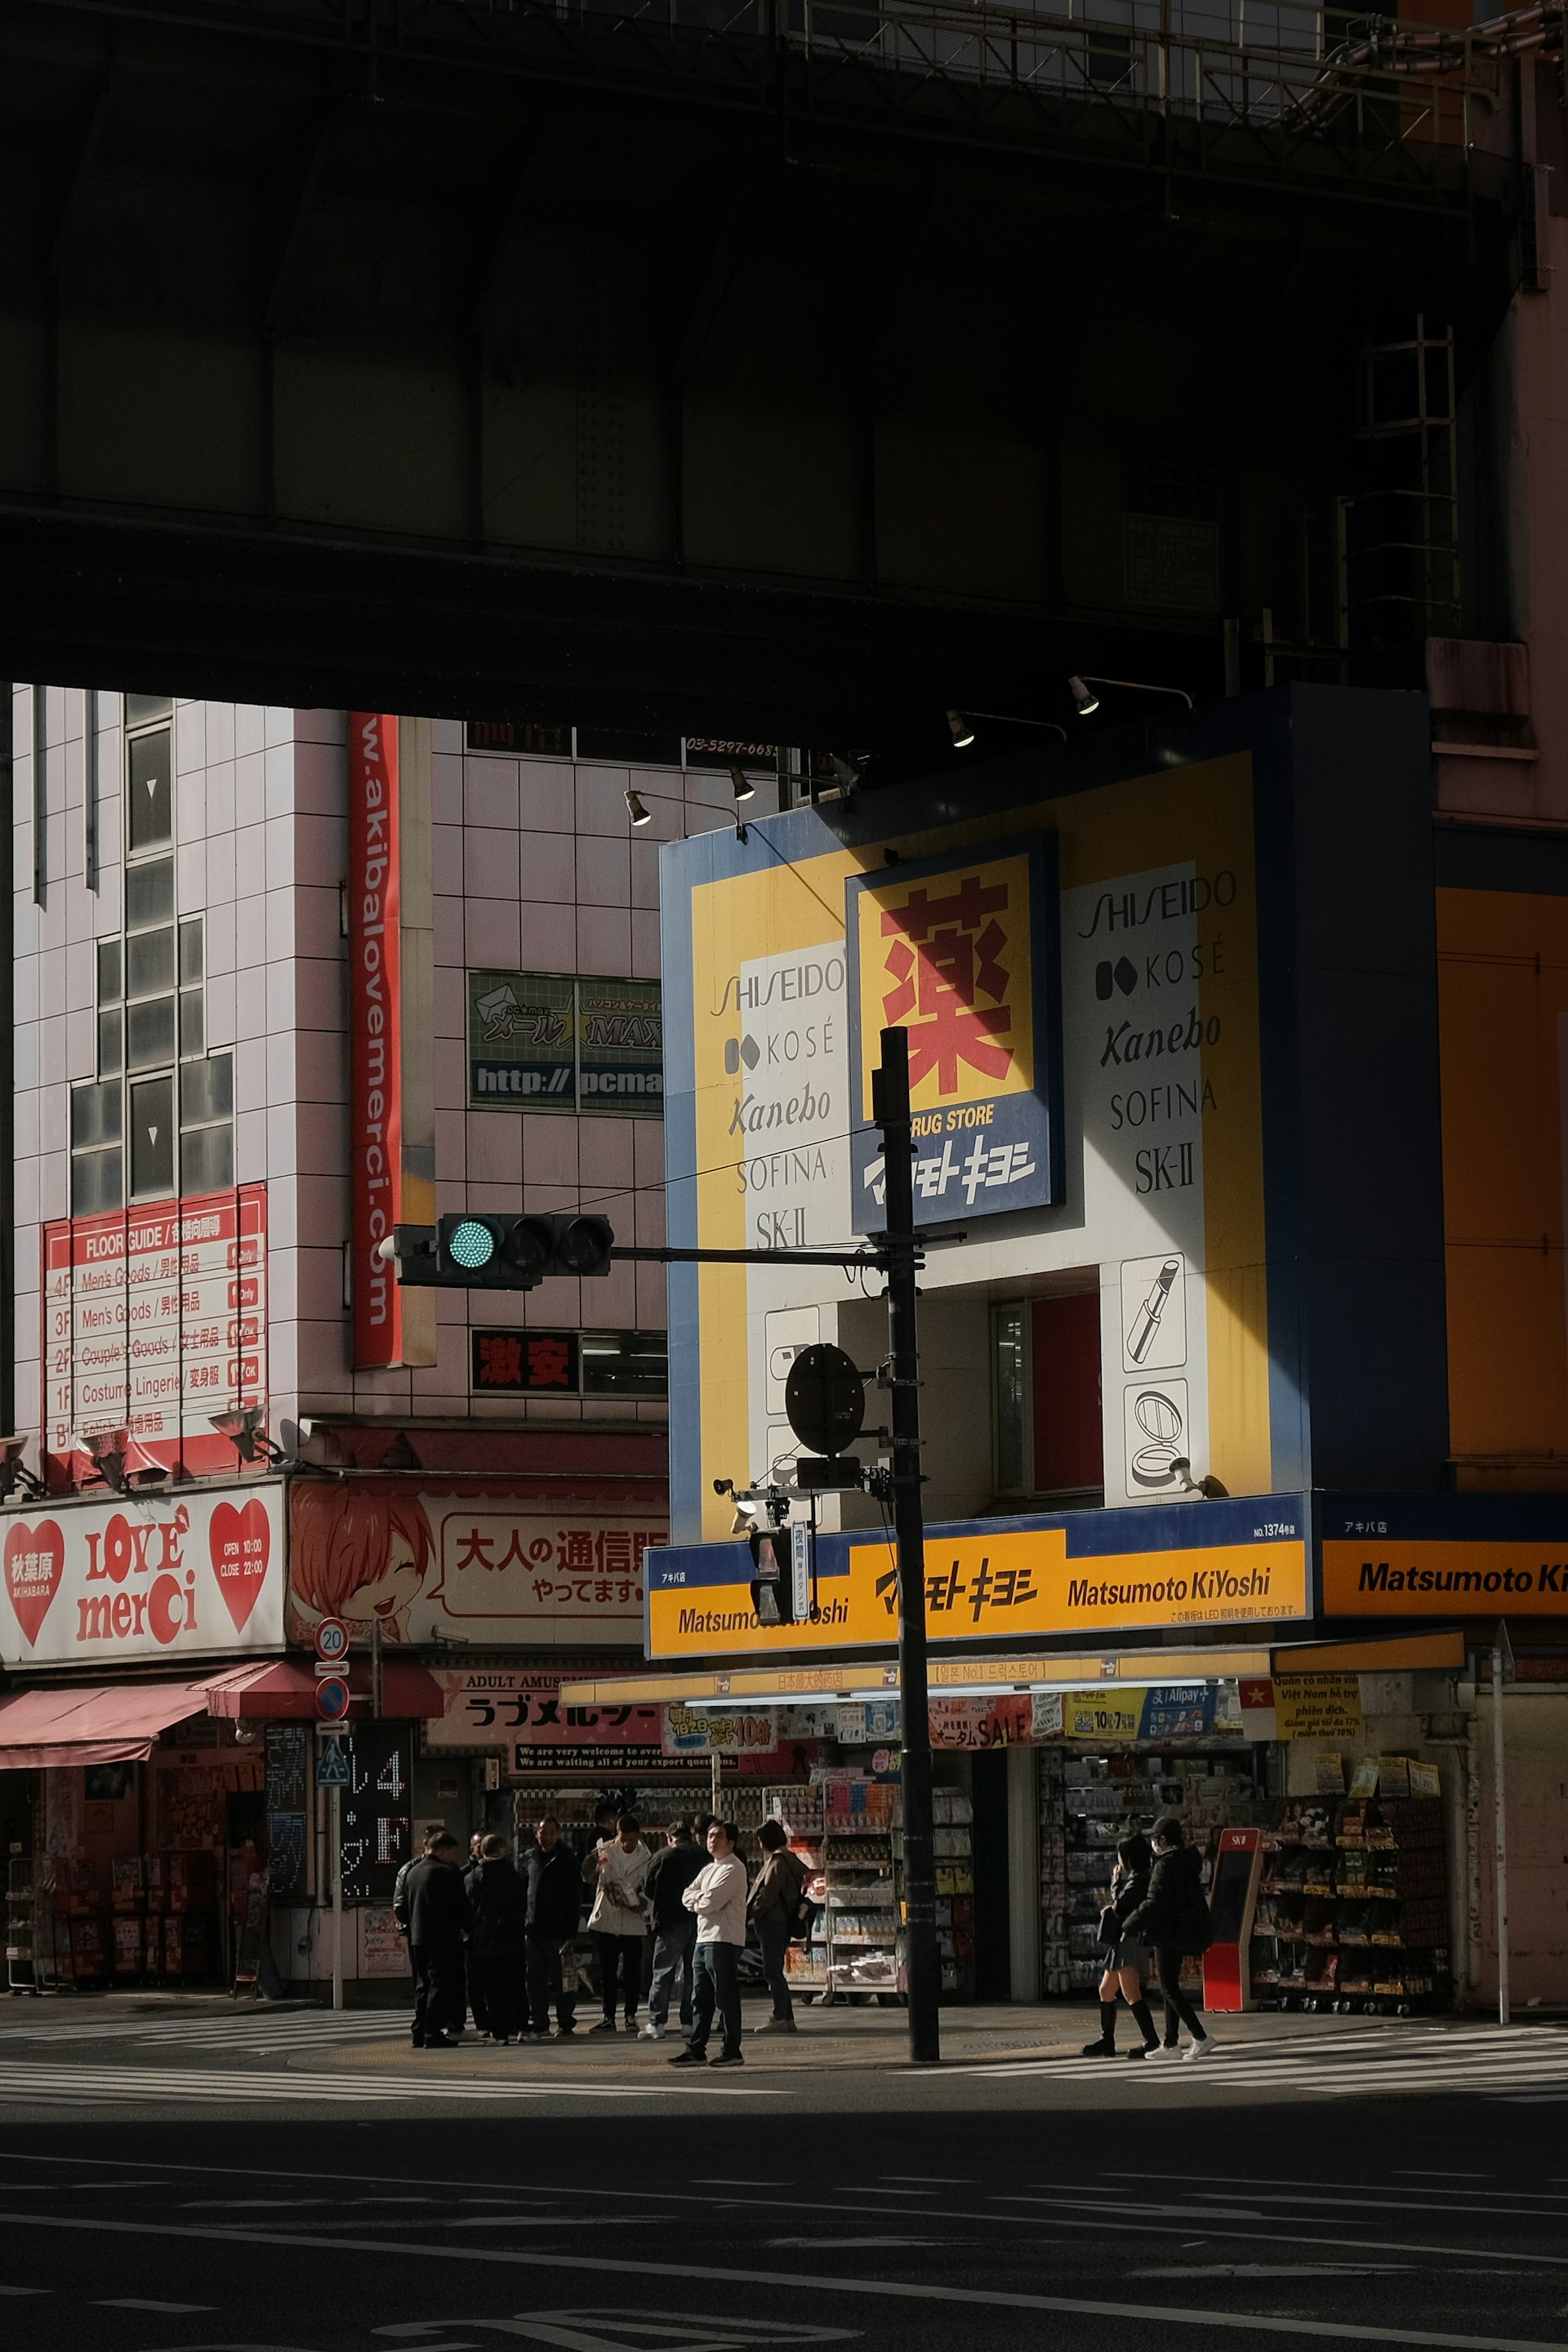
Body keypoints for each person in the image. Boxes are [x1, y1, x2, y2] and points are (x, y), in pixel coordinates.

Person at [1120, 1815, 1219, 2062]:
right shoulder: (1185, 1861)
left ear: (1162, 1840)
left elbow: (1154, 1902)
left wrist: (1129, 1924)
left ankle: (1200, 2036)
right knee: (1169, 1987)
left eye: (1155, 1838)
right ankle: (1171, 2043)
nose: (1153, 1843)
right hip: (1180, 1929)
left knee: (1168, 1987)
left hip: (1168, 1931)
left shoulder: (1165, 1865)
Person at [670, 1819, 747, 2069]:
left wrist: (698, 1901)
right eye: (710, 1835)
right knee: (700, 1997)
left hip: (723, 1939)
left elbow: (709, 1903)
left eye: (718, 1836)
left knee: (725, 1997)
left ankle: (732, 2049)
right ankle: (696, 2049)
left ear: (731, 1842)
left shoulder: (733, 1868)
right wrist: (699, 1900)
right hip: (704, 1938)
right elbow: (687, 1895)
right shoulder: (708, 1869)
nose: (711, 1840)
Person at [1081, 1831, 1160, 2059]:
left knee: (1131, 1992)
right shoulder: (1139, 1877)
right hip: (1122, 1942)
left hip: (1129, 1941)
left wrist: (1115, 1881)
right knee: (1106, 1990)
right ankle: (1107, 2040)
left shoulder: (1139, 1880)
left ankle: (1151, 2041)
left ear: (1127, 1858)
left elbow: (1120, 1904)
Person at [395, 1828, 469, 2050]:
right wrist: (467, 1928)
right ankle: (432, 2032)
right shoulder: (446, 1873)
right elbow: (460, 1907)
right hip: (442, 1938)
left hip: (418, 1937)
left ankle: (418, 2031)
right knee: (440, 1983)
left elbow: (403, 1907)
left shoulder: (412, 1873)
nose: (452, 1858)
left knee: (422, 1984)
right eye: (451, 1853)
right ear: (444, 1850)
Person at [639, 1815, 705, 2041]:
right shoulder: (703, 1856)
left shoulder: (660, 1857)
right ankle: (689, 2021)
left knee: (663, 1972)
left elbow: (647, 1889)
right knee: (693, 1972)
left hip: (668, 1921)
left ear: (670, 1838)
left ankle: (657, 2022)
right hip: (698, 1919)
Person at [586, 1812, 652, 2033]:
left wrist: (637, 1902)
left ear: (638, 1837)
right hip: (608, 1916)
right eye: (622, 1838)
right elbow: (588, 1875)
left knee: (633, 1971)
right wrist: (593, 1864)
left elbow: (649, 1892)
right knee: (608, 1971)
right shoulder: (606, 1850)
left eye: (630, 1840)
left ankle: (631, 2015)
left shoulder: (646, 1857)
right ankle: (608, 2016)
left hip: (632, 1920)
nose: (625, 1844)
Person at [467, 1833, 530, 2045]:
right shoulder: (512, 1875)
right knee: (516, 1984)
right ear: (500, 1851)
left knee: (493, 1989)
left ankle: (500, 2033)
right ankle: (522, 2027)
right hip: (511, 1938)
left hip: (485, 1941)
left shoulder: (472, 1878)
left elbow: (467, 1911)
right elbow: (522, 1904)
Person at [747, 1818, 808, 2036]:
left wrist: (751, 1913)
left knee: (772, 1970)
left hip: (773, 1921)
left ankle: (781, 2015)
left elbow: (768, 1894)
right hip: (782, 1921)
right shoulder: (788, 1859)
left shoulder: (777, 1862)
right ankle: (785, 2016)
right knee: (774, 1969)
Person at [523, 1815, 581, 2039]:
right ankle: (539, 2021)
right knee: (534, 1978)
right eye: (541, 1832)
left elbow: (573, 1899)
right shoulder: (529, 1859)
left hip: (559, 1931)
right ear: (535, 1834)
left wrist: (571, 1933)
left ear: (558, 1834)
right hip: (533, 1929)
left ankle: (565, 2021)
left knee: (563, 1979)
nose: (545, 1837)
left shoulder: (567, 1860)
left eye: (549, 1832)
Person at [462, 1832, 490, 2038]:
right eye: (477, 1845)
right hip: (472, 1936)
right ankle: (482, 2023)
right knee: (475, 1984)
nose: (481, 1849)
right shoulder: (464, 1875)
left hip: (493, 1936)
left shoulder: (499, 1872)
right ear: (472, 1848)